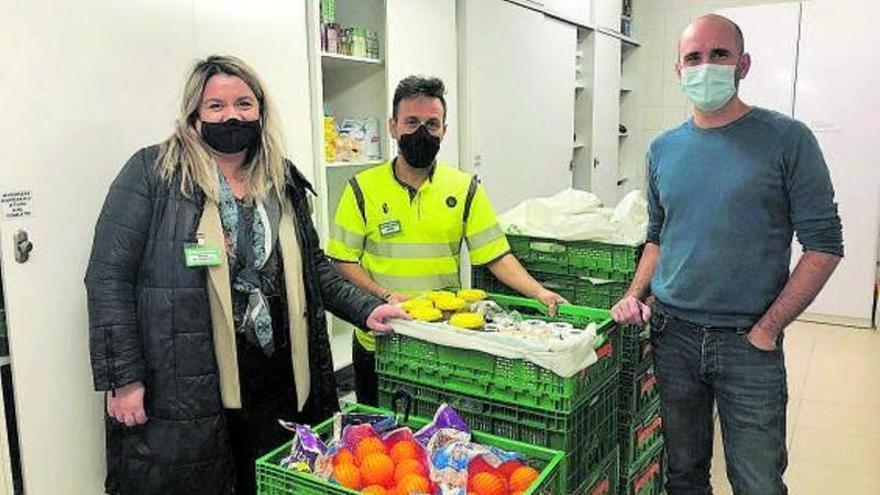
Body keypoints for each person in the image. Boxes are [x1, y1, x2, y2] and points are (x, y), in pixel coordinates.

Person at [85, 55, 407, 495]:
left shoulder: (280, 180)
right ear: (194, 115)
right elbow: (108, 280)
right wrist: (124, 378)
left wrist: (368, 308)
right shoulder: (154, 174)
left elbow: (313, 268)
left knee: (273, 479)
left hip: (278, 375)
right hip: (189, 380)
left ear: (260, 110)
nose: (231, 116)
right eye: (215, 106)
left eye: (243, 104)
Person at [611, 15, 843, 495]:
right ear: (679, 69)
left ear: (744, 64)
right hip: (673, 335)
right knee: (684, 475)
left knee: (758, 482)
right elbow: (658, 236)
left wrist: (768, 329)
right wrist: (635, 294)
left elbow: (824, 245)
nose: (706, 66)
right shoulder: (663, 149)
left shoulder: (787, 140)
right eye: (693, 57)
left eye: (719, 54)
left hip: (748, 343)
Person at [327, 75, 566, 406]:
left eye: (432, 124)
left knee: (441, 431)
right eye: (412, 122)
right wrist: (385, 295)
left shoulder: (464, 187)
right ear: (393, 127)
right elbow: (342, 260)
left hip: (443, 342)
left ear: (444, 130)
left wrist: (539, 292)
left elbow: (495, 255)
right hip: (379, 338)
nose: (422, 133)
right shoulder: (362, 188)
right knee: (379, 433)